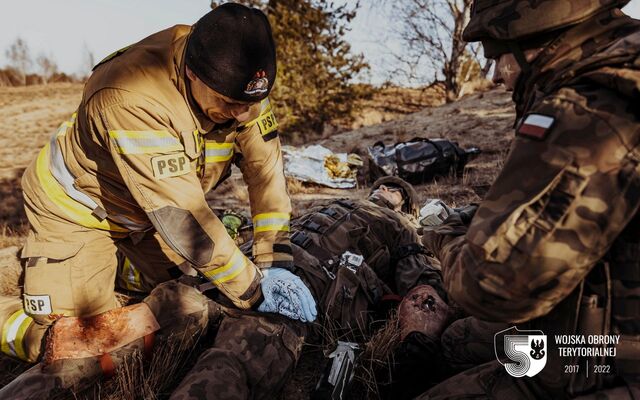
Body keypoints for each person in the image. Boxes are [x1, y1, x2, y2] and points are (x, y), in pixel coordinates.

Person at [0, 2, 315, 366]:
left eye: (252, 103)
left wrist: (275, 262)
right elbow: (183, 218)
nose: (244, 115)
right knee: (82, 344)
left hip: (146, 212)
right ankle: (28, 323)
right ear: (193, 74)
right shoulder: (131, 94)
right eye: (230, 104)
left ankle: (120, 266)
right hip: (80, 211)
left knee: (191, 291)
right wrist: (255, 293)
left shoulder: (240, 83)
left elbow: (266, 175)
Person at [418, 1, 640, 398]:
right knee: (458, 341)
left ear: (535, 36)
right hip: (604, 324)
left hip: (609, 359)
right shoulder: (624, 67)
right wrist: (480, 218)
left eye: (496, 55)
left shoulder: (592, 110)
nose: (497, 77)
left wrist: (443, 238)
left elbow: (492, 286)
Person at [168, 176, 449, 400]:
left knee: (232, 362)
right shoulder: (332, 203)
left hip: (301, 293)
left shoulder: (401, 226)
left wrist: (417, 340)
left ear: (406, 206)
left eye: (395, 190)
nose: (386, 188)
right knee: (165, 305)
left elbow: (422, 279)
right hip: (245, 269)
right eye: (383, 184)